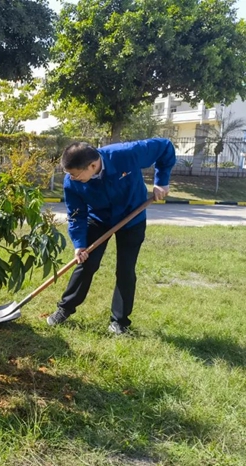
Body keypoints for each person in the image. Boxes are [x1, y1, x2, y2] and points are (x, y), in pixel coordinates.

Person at [46, 139, 176, 334]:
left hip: (132, 217)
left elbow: (165, 147)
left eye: (75, 174)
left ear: (92, 165)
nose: (71, 179)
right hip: (98, 218)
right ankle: (64, 309)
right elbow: (76, 215)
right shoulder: (71, 182)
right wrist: (79, 244)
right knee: (86, 263)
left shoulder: (126, 153)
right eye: (69, 175)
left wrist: (161, 181)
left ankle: (119, 321)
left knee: (125, 270)